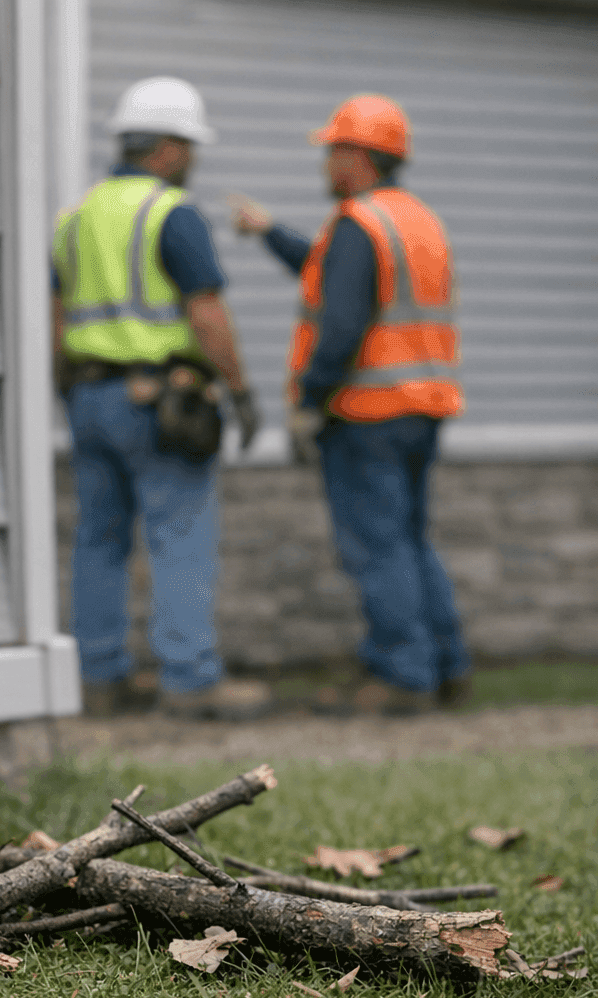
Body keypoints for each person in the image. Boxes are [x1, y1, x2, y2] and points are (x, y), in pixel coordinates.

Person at [230, 94, 471, 715]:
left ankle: (402, 677)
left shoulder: (358, 224)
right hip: (422, 407)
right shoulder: (416, 221)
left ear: (357, 156)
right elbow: (327, 272)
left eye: (332, 149)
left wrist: (309, 401)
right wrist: (269, 233)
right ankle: (447, 667)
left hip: (366, 413)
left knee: (376, 546)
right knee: (410, 540)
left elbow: (339, 324)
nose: (326, 163)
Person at [53, 76, 271, 721]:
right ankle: (190, 679)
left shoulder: (75, 218)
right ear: (170, 148)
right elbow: (206, 314)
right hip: (160, 404)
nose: (194, 161)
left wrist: (68, 385)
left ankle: (101, 678)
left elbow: (55, 311)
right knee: (181, 536)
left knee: (99, 539)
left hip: (87, 398)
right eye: (192, 146)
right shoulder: (170, 213)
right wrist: (239, 391)